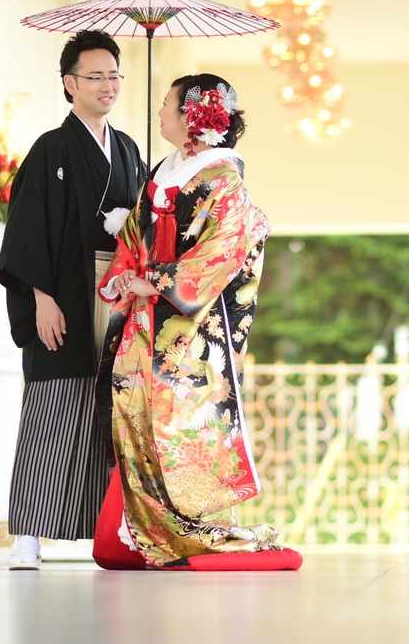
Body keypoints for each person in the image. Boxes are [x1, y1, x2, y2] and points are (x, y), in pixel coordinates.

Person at [91, 74, 301, 570]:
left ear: (193, 114)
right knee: (131, 414)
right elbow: (137, 242)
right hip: (143, 324)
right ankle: (154, 534)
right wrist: (126, 277)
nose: (159, 113)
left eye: (166, 104)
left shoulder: (223, 180)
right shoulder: (167, 170)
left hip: (190, 336)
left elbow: (220, 254)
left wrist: (157, 281)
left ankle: (191, 532)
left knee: (178, 426)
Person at [0, 29, 147, 569]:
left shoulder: (129, 150)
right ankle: (28, 538)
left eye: (114, 75)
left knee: (111, 414)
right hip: (63, 294)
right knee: (53, 408)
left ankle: (113, 532)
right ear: (69, 83)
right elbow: (28, 227)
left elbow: (149, 226)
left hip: (117, 297)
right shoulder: (51, 149)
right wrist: (41, 297)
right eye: (95, 76)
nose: (108, 85)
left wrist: (132, 222)